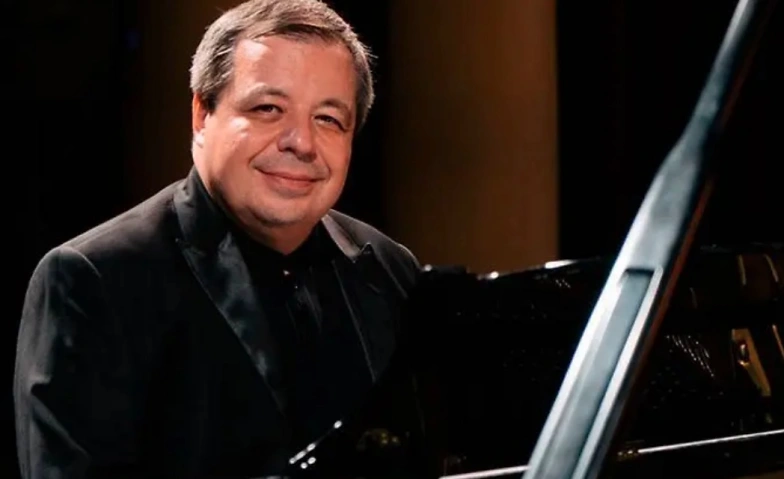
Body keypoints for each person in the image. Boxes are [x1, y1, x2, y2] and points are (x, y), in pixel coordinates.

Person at [13, 0, 421, 477]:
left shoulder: (391, 271)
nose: (302, 143)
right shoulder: (94, 279)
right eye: (268, 109)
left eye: (328, 119)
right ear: (202, 115)